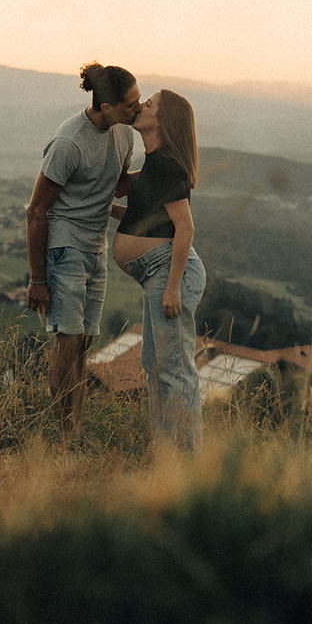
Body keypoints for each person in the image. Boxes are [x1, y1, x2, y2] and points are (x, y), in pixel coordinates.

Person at [25, 62, 141, 442]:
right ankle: (65, 434)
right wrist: (37, 279)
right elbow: (36, 210)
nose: (137, 109)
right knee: (68, 340)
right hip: (64, 248)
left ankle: (72, 426)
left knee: (85, 342)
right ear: (105, 107)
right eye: (130, 104)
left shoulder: (125, 134)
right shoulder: (68, 143)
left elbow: (118, 187)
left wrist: (169, 173)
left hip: (96, 249)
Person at [112, 89, 205, 449]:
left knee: (175, 372)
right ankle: (166, 452)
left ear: (162, 121)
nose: (141, 106)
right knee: (155, 366)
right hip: (157, 272)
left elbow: (186, 228)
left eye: (149, 105)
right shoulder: (153, 163)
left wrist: (172, 288)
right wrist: (111, 211)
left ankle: (188, 462)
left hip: (169, 273)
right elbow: (143, 217)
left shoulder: (167, 164)